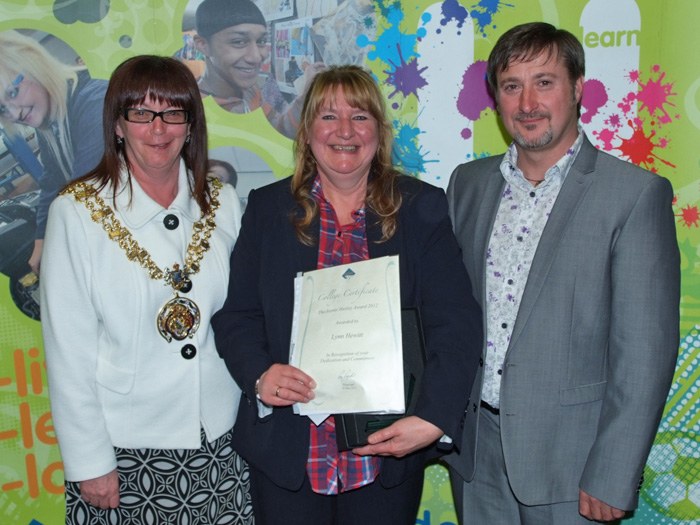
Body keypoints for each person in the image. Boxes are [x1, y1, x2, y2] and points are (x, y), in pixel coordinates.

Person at [211, 65, 482, 524]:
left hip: (386, 452)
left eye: (360, 117)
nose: (344, 132)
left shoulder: (421, 208)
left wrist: (434, 417)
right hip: (289, 455)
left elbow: (455, 323)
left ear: (379, 130)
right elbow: (238, 315)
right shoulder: (267, 209)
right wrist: (260, 375)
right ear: (307, 131)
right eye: (328, 116)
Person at [445, 22, 680, 524]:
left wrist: (613, 472)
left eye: (544, 82)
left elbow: (644, 353)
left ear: (577, 89)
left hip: (575, 469)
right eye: (512, 86)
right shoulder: (467, 184)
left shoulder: (634, 195)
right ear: (496, 99)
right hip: (476, 458)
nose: (527, 102)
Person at [40, 55, 253, 524]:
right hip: (124, 451)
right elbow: (67, 350)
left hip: (222, 439)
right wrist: (89, 462)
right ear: (117, 124)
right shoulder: (75, 212)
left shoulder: (223, 203)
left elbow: (243, 315)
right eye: (141, 113)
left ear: (191, 125)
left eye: (173, 112)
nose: (158, 128)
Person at [0, 30, 107, 275]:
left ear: (34, 65)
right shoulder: (51, 123)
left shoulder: (95, 101)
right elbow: (53, 181)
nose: (14, 115)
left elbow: (84, 191)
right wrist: (41, 239)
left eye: (13, 93)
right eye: (2, 109)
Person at [192, 0, 323, 139]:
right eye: (238, 42)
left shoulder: (251, 92)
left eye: (260, 41)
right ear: (203, 45)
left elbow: (277, 131)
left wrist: (308, 92)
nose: (257, 57)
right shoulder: (187, 110)